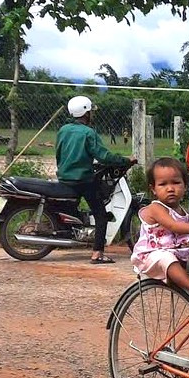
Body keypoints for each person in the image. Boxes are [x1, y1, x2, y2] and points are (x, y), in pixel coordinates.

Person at [55, 95, 133, 264]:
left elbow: (59, 153)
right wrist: (126, 160)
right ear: (86, 113)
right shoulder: (89, 133)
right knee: (100, 214)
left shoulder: (63, 130)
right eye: (91, 112)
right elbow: (103, 155)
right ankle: (97, 253)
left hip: (64, 177)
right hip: (82, 180)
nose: (92, 114)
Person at [130, 157, 189, 298]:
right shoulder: (156, 208)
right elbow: (174, 226)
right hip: (152, 255)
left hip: (177, 253)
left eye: (176, 183)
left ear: (185, 186)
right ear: (153, 189)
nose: (170, 189)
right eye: (163, 184)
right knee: (166, 258)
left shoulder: (185, 213)